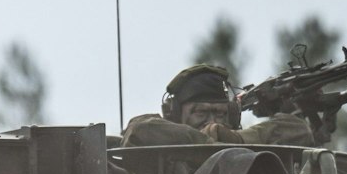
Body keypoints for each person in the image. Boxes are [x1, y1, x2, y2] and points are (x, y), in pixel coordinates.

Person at [122, 64, 316, 147]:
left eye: (220, 113)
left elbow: (299, 130)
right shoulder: (157, 134)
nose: (213, 121)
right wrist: (206, 144)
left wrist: (236, 140)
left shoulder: (239, 144)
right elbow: (139, 129)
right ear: (175, 113)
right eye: (201, 112)